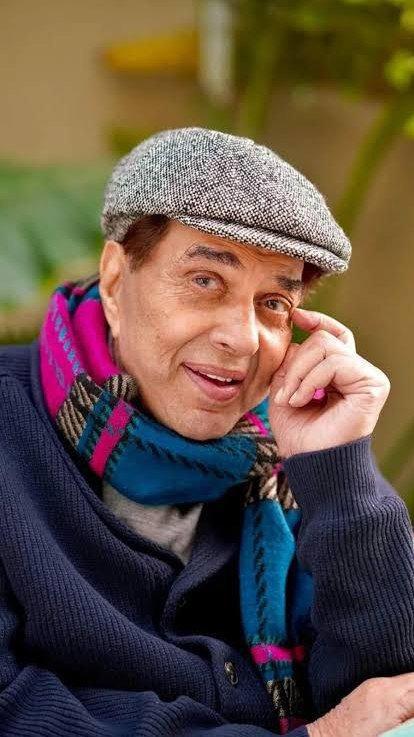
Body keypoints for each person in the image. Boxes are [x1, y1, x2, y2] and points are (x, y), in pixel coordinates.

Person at [0, 127, 414, 737]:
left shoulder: (285, 456)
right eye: (204, 281)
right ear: (115, 281)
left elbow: (392, 695)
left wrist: (341, 474)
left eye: (273, 302)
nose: (243, 339)